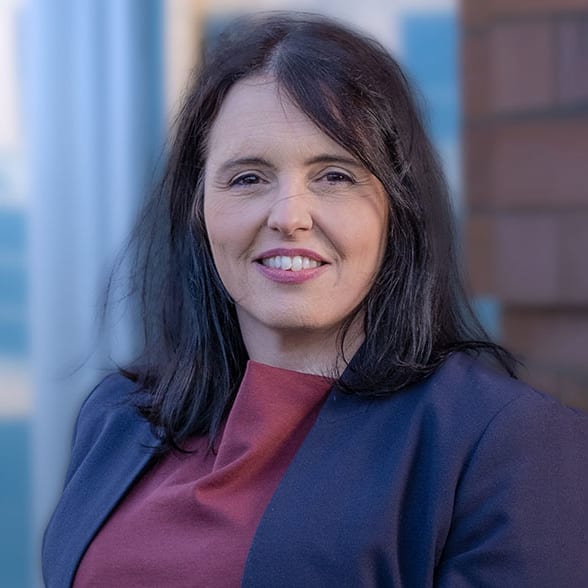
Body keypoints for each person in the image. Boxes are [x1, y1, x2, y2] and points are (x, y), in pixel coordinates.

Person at [43, 11, 588, 587]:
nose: (289, 217)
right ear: (198, 210)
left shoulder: (508, 443)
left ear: (397, 209)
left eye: (334, 176)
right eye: (248, 178)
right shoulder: (119, 414)